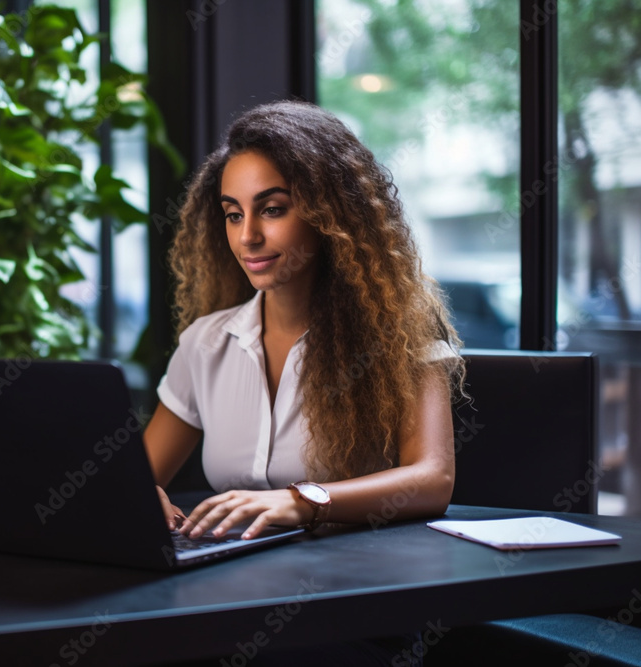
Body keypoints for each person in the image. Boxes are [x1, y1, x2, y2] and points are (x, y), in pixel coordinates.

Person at [144, 100, 464, 665]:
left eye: (272, 209)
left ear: (328, 213)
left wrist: (304, 501)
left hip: (354, 612)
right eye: (233, 213)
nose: (248, 237)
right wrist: (143, 498)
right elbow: (140, 475)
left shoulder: (397, 337)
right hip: (226, 600)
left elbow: (433, 478)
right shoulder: (206, 341)